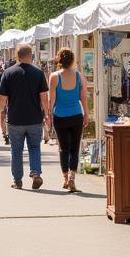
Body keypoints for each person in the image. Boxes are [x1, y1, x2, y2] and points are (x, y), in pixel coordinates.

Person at [0, 44, 50, 190]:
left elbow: (2, 98)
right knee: (34, 147)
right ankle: (35, 173)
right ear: (30, 55)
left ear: (16, 56)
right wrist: (47, 114)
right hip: (34, 118)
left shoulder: (8, 73)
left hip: (15, 119)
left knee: (16, 150)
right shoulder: (38, 73)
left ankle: (17, 180)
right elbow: (44, 97)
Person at [48, 48, 87, 193]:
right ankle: (72, 177)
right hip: (76, 115)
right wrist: (87, 115)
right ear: (72, 60)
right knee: (74, 148)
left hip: (60, 116)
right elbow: (83, 97)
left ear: (59, 60)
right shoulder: (79, 76)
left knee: (63, 148)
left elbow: (51, 99)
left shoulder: (54, 76)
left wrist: (49, 115)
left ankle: (65, 178)